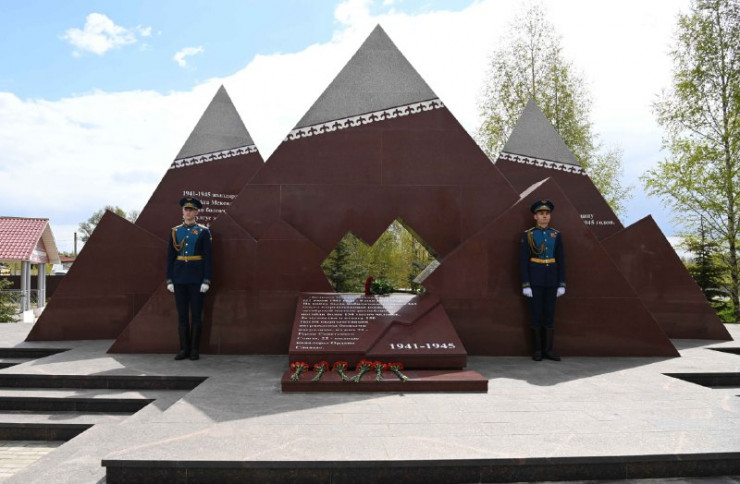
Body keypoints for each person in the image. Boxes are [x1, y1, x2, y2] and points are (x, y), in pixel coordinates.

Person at [166, 196, 212, 360]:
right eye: (186, 209)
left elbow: (208, 258)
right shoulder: (175, 231)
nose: (188, 212)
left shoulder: (203, 231)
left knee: (196, 315)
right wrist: (169, 279)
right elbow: (170, 257)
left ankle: (194, 350)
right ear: (182, 211)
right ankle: (183, 349)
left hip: (197, 279)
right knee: (182, 315)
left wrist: (206, 280)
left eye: (192, 210)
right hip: (179, 278)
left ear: (196, 212)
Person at [519, 199, 565, 361]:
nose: (544, 216)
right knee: (536, 315)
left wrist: (561, 283)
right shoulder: (528, 234)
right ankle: (537, 350)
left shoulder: (556, 234)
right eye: (541, 214)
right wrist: (526, 284)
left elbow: (561, 260)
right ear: (535, 217)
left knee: (549, 315)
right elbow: (523, 261)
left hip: (551, 280)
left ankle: (548, 350)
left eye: (547, 214)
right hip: (535, 281)